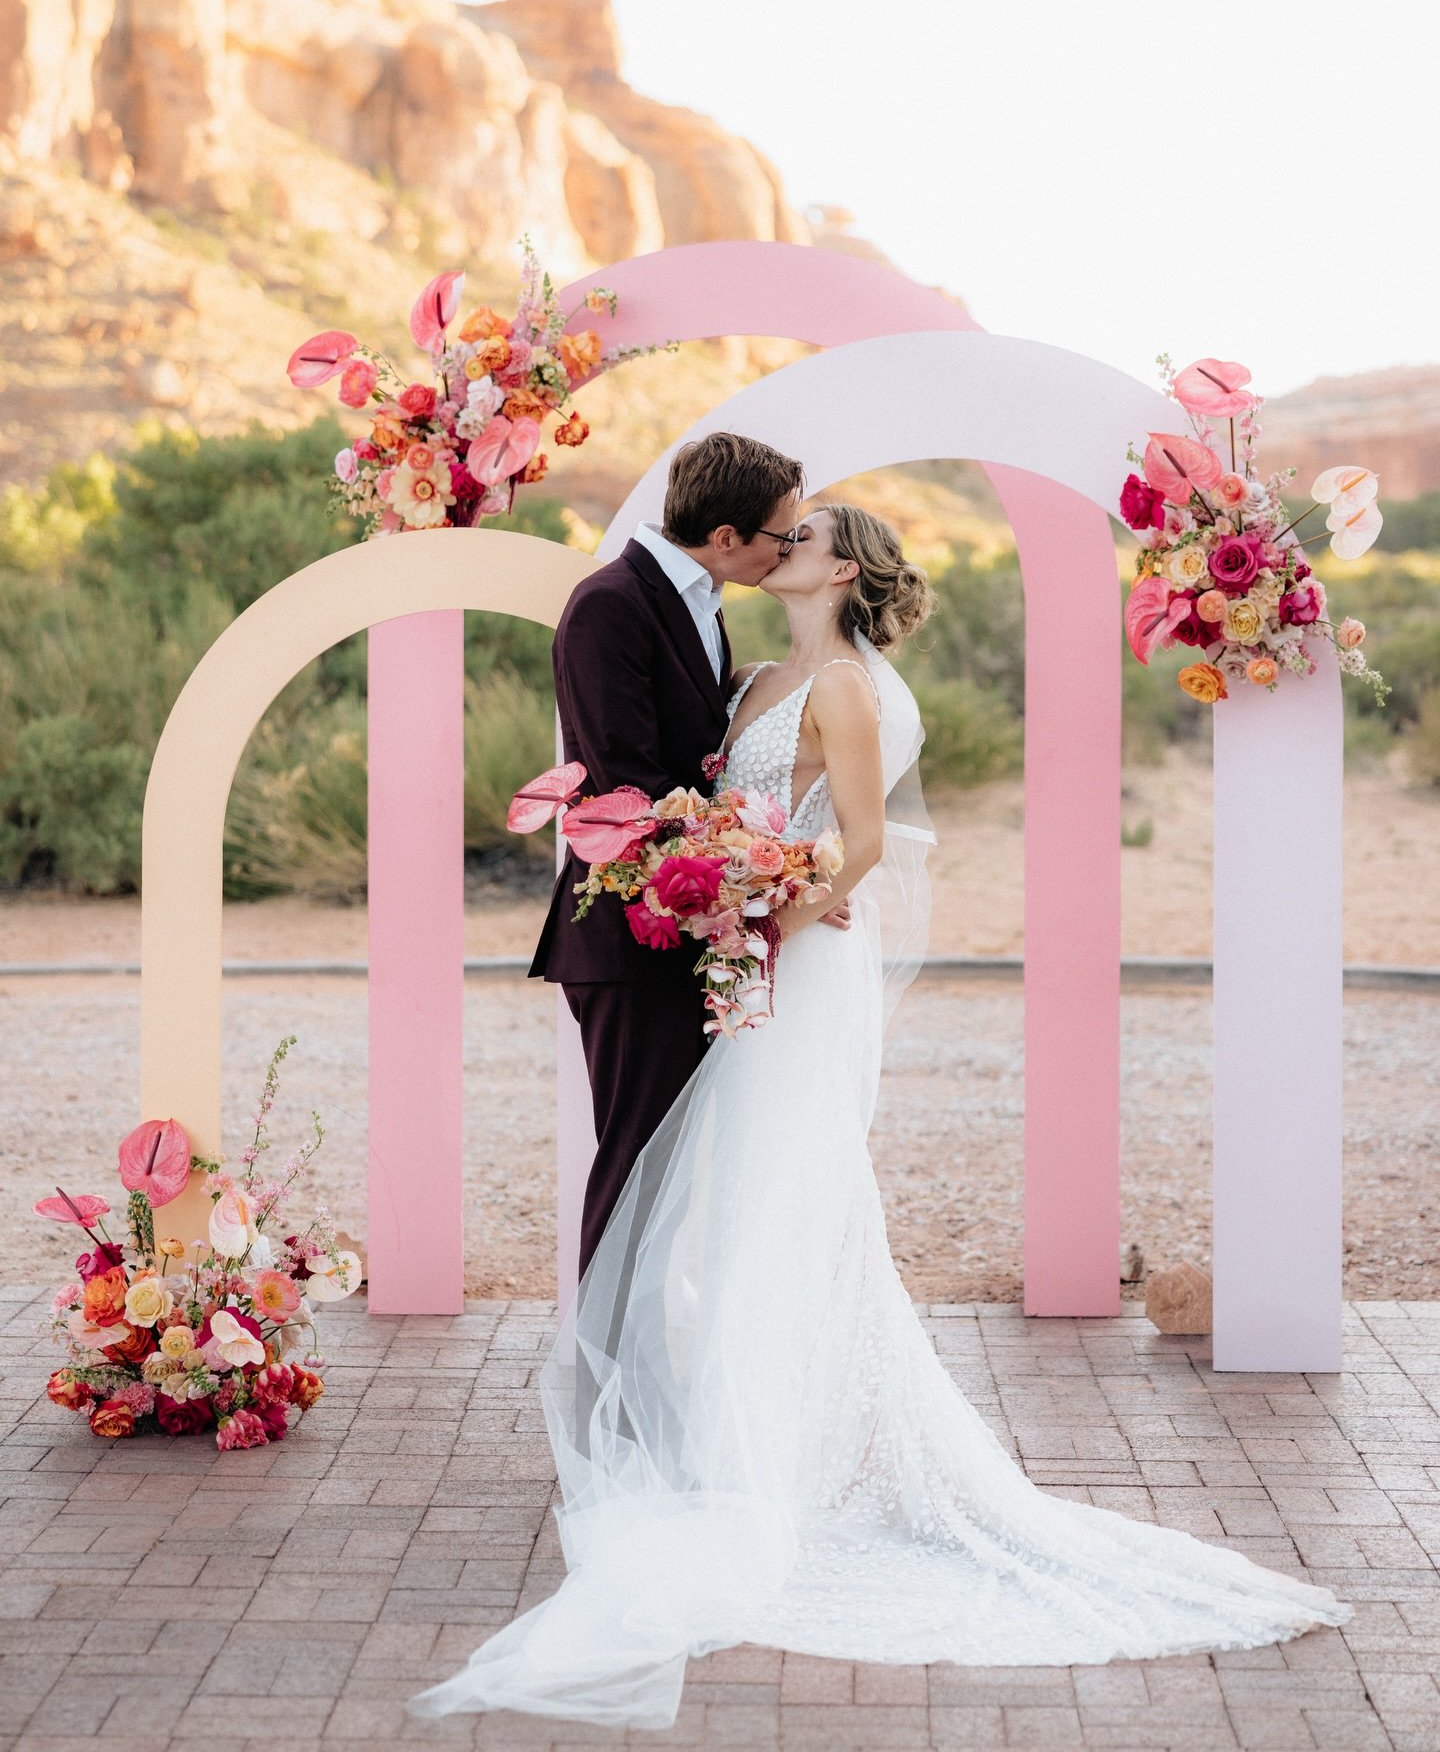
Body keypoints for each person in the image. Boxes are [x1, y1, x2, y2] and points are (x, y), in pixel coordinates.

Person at [414, 502, 1351, 1731]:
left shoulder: (846, 688)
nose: (777, 544)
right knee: (725, 1202)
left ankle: (770, 1463)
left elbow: (857, 850)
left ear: (840, 566)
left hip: (784, 971)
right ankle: (730, 1444)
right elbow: (713, 809)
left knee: (778, 1195)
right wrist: (713, 897)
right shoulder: (753, 677)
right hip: (737, 961)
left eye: (799, 535)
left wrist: (756, 930)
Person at [528, 430, 812, 1275]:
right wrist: (753, 875)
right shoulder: (611, 602)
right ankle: (605, 1394)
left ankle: (644, 1383)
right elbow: (629, 786)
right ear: (725, 537)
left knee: (675, 1176)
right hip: (627, 932)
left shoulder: (701, 600)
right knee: (634, 1175)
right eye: (781, 535)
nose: (788, 549)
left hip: (684, 930)